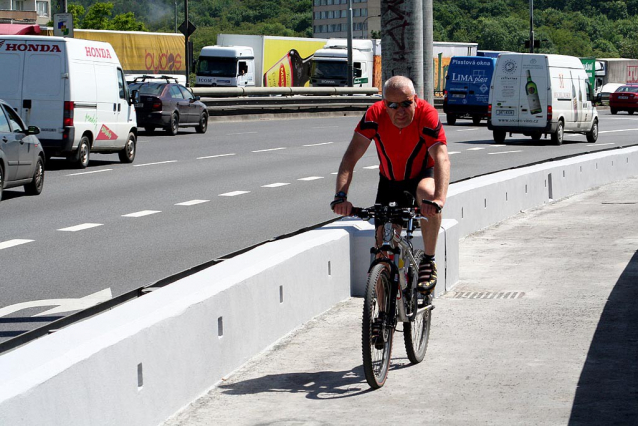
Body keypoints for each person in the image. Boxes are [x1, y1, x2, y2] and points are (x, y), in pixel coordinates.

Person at [331, 75, 450, 293]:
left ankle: (429, 261)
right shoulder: (374, 115)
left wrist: (439, 199)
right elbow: (350, 157)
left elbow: (441, 158)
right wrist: (341, 196)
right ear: (384, 104)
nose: (400, 110)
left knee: (427, 191)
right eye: (393, 105)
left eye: (406, 103)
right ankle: (380, 320)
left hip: (422, 175)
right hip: (389, 182)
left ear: (415, 99)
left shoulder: (427, 115)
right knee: (382, 250)